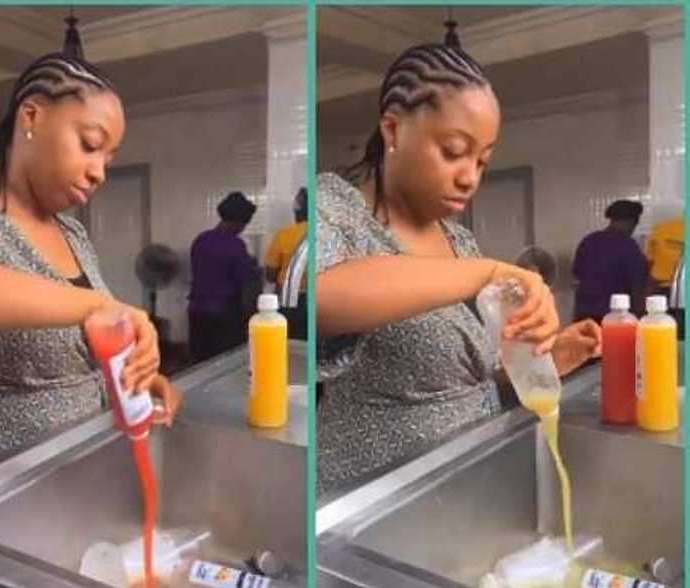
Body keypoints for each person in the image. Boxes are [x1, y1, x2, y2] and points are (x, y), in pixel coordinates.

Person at [316, 44, 601, 491]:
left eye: (483, 159)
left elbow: (467, 384)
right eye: (453, 151)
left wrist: (544, 364)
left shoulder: (459, 240)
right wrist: (489, 273)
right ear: (393, 128)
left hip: (465, 479)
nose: (471, 177)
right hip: (371, 499)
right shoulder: (335, 208)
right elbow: (319, 299)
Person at [0, 53, 182, 478]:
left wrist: (132, 378)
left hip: (83, 472)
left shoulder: (73, 234)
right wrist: (98, 306)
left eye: (108, 158)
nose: (99, 172)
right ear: (31, 115)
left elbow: (93, 336)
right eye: (90, 144)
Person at [187, 191, 260, 363]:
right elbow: (245, 282)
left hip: (196, 311)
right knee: (224, 364)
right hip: (224, 316)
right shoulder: (236, 245)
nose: (244, 228)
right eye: (244, 224)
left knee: (199, 362)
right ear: (238, 221)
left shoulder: (201, 239)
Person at [572, 200, 648, 322]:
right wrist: (640, 316)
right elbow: (637, 287)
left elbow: (577, 275)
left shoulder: (588, 241)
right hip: (615, 318)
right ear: (630, 222)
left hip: (584, 315)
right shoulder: (629, 246)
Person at [265, 187, 308, 339]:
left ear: (297, 209)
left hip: (290, 301)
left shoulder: (284, 235)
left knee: (289, 345)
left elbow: (270, 275)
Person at [646, 214, 684, 299]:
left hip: (658, 288)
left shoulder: (662, 228)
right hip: (662, 288)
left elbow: (649, 262)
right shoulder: (661, 229)